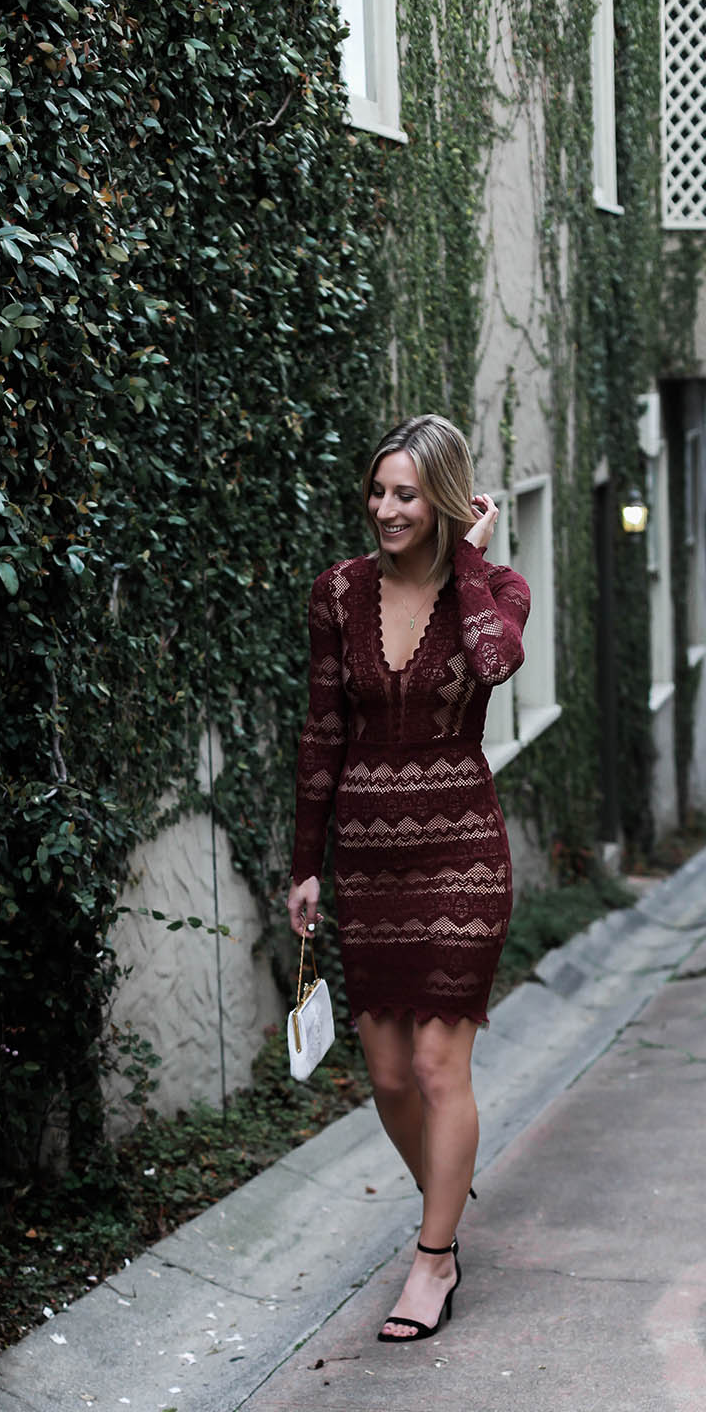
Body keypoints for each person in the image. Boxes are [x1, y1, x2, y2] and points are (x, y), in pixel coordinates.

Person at [286, 413, 530, 1342]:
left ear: (447, 500)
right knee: (387, 1073)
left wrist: (470, 558)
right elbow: (322, 733)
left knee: (436, 1062)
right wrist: (306, 864)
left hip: (462, 847)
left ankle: (433, 1259)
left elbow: (496, 661)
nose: (386, 510)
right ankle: (447, 1197)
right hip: (369, 859)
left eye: (406, 494)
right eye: (378, 492)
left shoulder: (497, 588)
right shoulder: (337, 593)